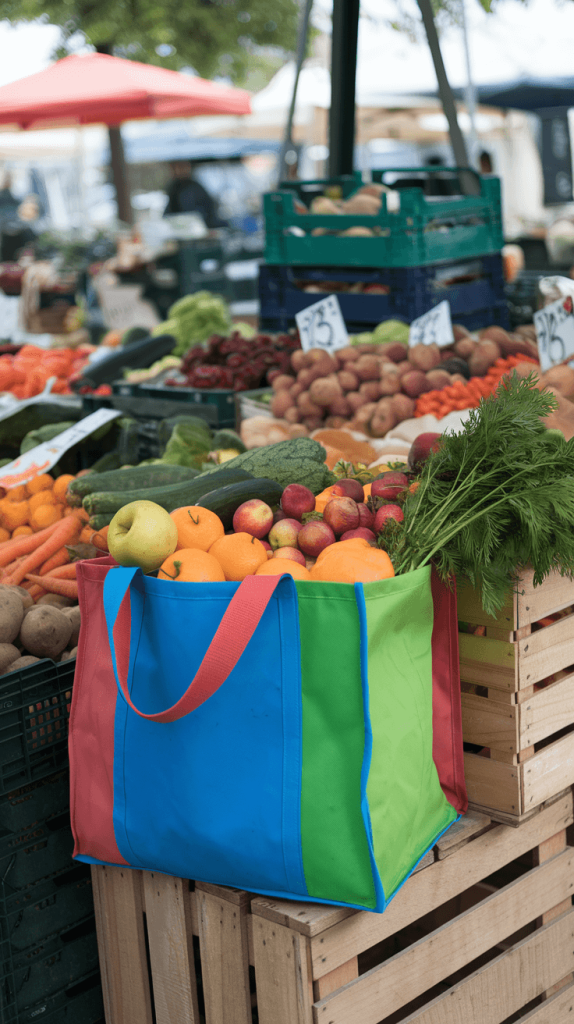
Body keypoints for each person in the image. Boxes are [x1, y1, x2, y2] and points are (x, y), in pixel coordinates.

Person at [163, 160, 223, 227]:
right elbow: (168, 213)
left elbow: (206, 212)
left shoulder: (195, 188)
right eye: (174, 168)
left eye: (180, 167)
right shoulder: (174, 188)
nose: (177, 170)